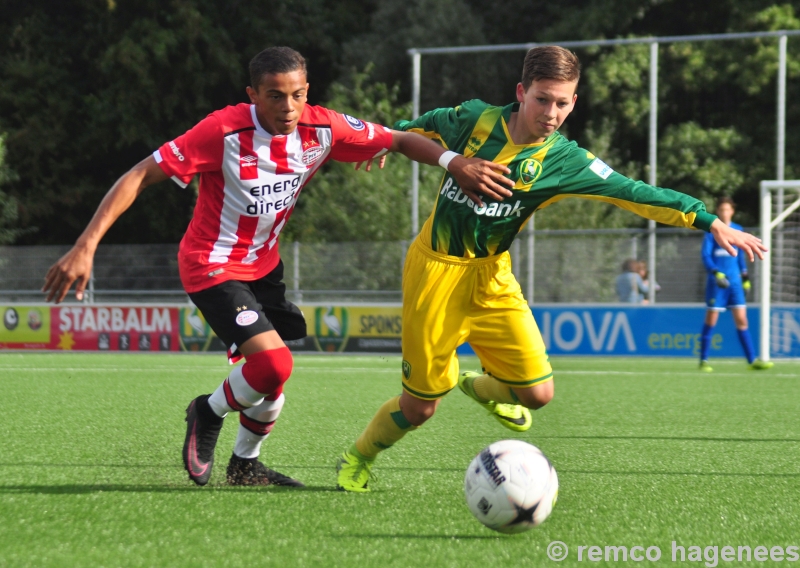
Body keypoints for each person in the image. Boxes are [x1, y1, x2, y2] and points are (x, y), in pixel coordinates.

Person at [41, 46, 515, 487]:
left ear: (307, 91)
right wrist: (85, 246)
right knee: (272, 363)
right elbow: (140, 174)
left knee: (270, 376)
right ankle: (207, 412)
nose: (289, 107)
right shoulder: (221, 131)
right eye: (275, 96)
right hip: (212, 265)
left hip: (264, 268)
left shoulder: (322, 127)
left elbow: (400, 138)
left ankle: (245, 465)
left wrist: (452, 162)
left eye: (298, 94)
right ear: (253, 95)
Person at [335, 45, 767, 492]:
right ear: (521, 92)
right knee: (420, 407)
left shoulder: (565, 160)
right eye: (542, 99)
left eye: (562, 103)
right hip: (436, 273)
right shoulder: (476, 120)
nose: (551, 112)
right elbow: (418, 127)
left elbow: (633, 191)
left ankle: (480, 387)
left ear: (574, 102)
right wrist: (384, 139)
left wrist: (708, 220)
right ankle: (357, 458)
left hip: (492, 277)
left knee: (539, 395)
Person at [698, 196, 773, 372]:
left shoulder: (738, 229)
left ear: (732, 211)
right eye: (721, 209)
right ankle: (704, 361)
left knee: (742, 320)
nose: (725, 212)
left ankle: (751, 361)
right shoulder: (711, 231)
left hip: (735, 283)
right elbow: (706, 256)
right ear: (718, 211)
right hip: (718, 283)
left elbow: (740, 257)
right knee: (711, 320)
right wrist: (716, 272)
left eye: (727, 209)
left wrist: (745, 277)